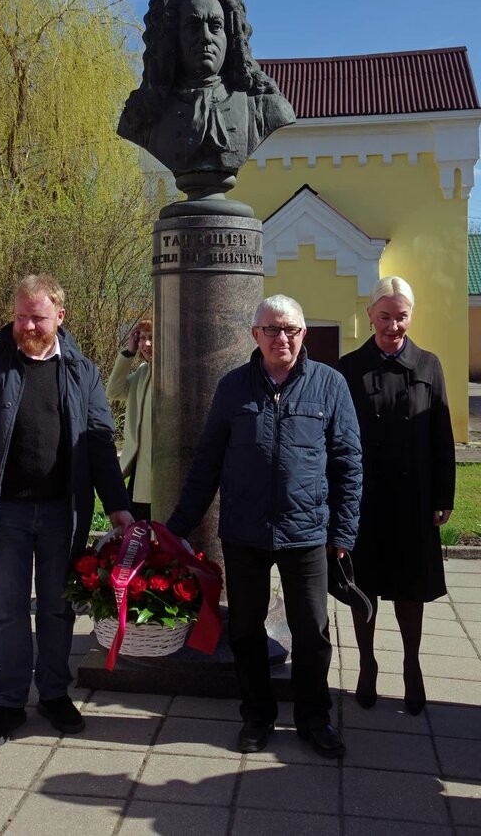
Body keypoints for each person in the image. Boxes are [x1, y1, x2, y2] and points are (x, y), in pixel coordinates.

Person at [167, 295, 362, 758]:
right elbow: (208, 461)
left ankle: (315, 718)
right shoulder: (233, 387)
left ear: (303, 334)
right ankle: (257, 715)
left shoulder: (329, 385)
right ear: (255, 335)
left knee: (312, 630)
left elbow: (349, 462)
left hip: (307, 532)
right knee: (247, 630)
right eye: (272, 329)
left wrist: (344, 533)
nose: (283, 338)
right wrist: (177, 526)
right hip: (245, 532)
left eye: (291, 329)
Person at [0, 273, 133, 749]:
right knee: (7, 611)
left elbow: (98, 440)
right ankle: (8, 702)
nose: (27, 325)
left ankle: (53, 694)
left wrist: (116, 506)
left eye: (37, 317)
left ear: (60, 316)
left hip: (61, 514)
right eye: (20, 316)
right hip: (3, 512)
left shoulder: (81, 370)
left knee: (57, 609)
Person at [338, 276, 455, 715]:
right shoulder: (348, 368)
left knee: (410, 588)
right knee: (362, 586)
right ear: (369, 315)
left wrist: (443, 494)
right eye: (384, 316)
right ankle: (367, 664)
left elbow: (442, 436)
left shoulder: (429, 365)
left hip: (414, 500)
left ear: (411, 316)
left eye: (401, 316)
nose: (393, 325)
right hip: (364, 501)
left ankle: (412, 665)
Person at [117, 0, 295, 185]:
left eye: (216, 26)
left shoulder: (265, 109)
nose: (205, 37)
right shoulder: (143, 118)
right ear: (173, 38)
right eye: (193, 27)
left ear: (231, 37)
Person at [106, 318, 152, 521]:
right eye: (142, 338)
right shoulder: (143, 371)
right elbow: (114, 390)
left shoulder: (172, 374)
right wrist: (129, 353)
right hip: (138, 472)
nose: (146, 344)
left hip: (158, 474)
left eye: (152, 338)